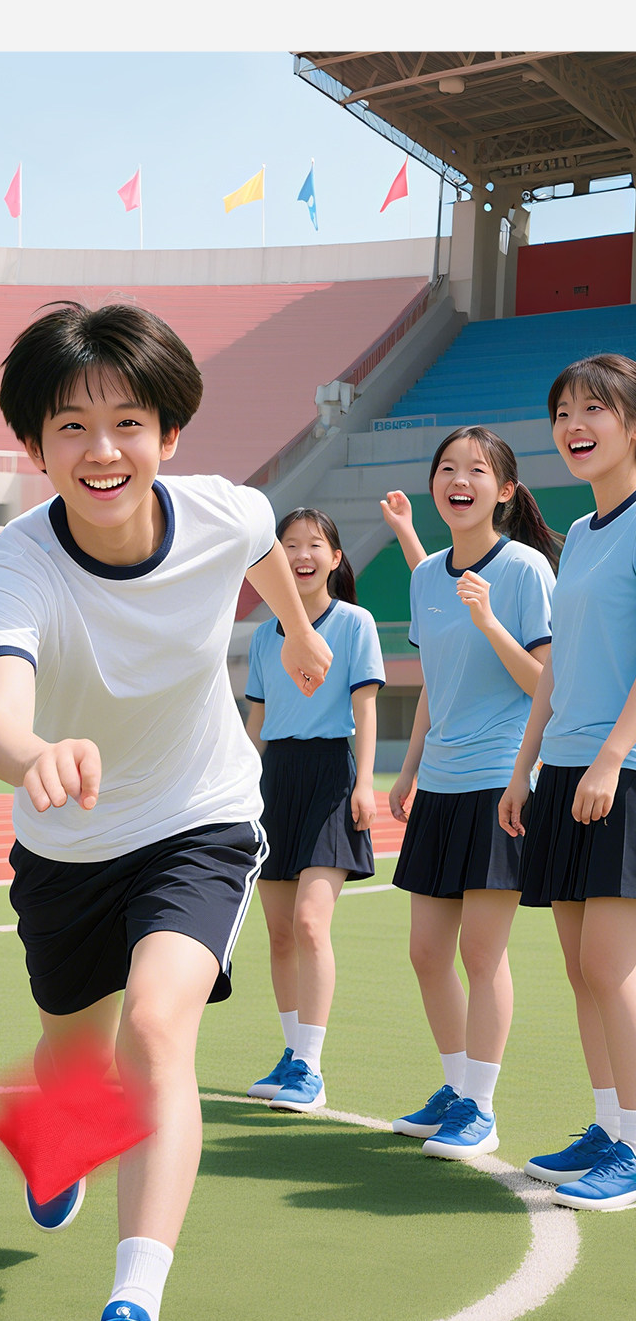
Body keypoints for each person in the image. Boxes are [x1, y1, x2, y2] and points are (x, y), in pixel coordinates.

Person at [0, 301, 333, 1321]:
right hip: (66, 840)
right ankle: (60, 1134)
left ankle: (132, 1313)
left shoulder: (225, 509)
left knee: (159, 1027)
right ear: (34, 446)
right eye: (71, 427)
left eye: (129, 422)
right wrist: (34, 751)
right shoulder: (15, 564)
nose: (103, 449)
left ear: (169, 433)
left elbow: (260, 547)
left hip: (199, 815)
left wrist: (298, 631)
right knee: (74, 1054)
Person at [386, 427, 559, 1160]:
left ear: (505, 490)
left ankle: (481, 1109)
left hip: (500, 778)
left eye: (477, 470)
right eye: (448, 468)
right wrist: (408, 767)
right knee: (428, 953)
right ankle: (458, 1087)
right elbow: (434, 684)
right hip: (441, 780)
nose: (460, 480)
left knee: (482, 953)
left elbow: (546, 683)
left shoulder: (523, 569)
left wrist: (489, 622)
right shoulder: (426, 576)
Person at [500, 354, 636, 1210]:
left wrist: (612, 756)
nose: (574, 425)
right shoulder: (581, 533)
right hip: (566, 770)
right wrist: (527, 767)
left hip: (623, 772)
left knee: (610, 966)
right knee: (582, 970)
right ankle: (611, 1125)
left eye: (594, 408)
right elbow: (555, 667)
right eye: (561, 412)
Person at [244, 508, 383, 1112]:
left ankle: (311, 1069)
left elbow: (366, 707)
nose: (302, 555)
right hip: (274, 781)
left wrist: (364, 783)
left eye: (314, 545)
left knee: (308, 923)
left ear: (335, 558)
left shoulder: (354, 623)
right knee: (279, 935)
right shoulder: (263, 636)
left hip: (330, 777)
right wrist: (239, 787)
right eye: (290, 545)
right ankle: (291, 1052)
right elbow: (256, 722)